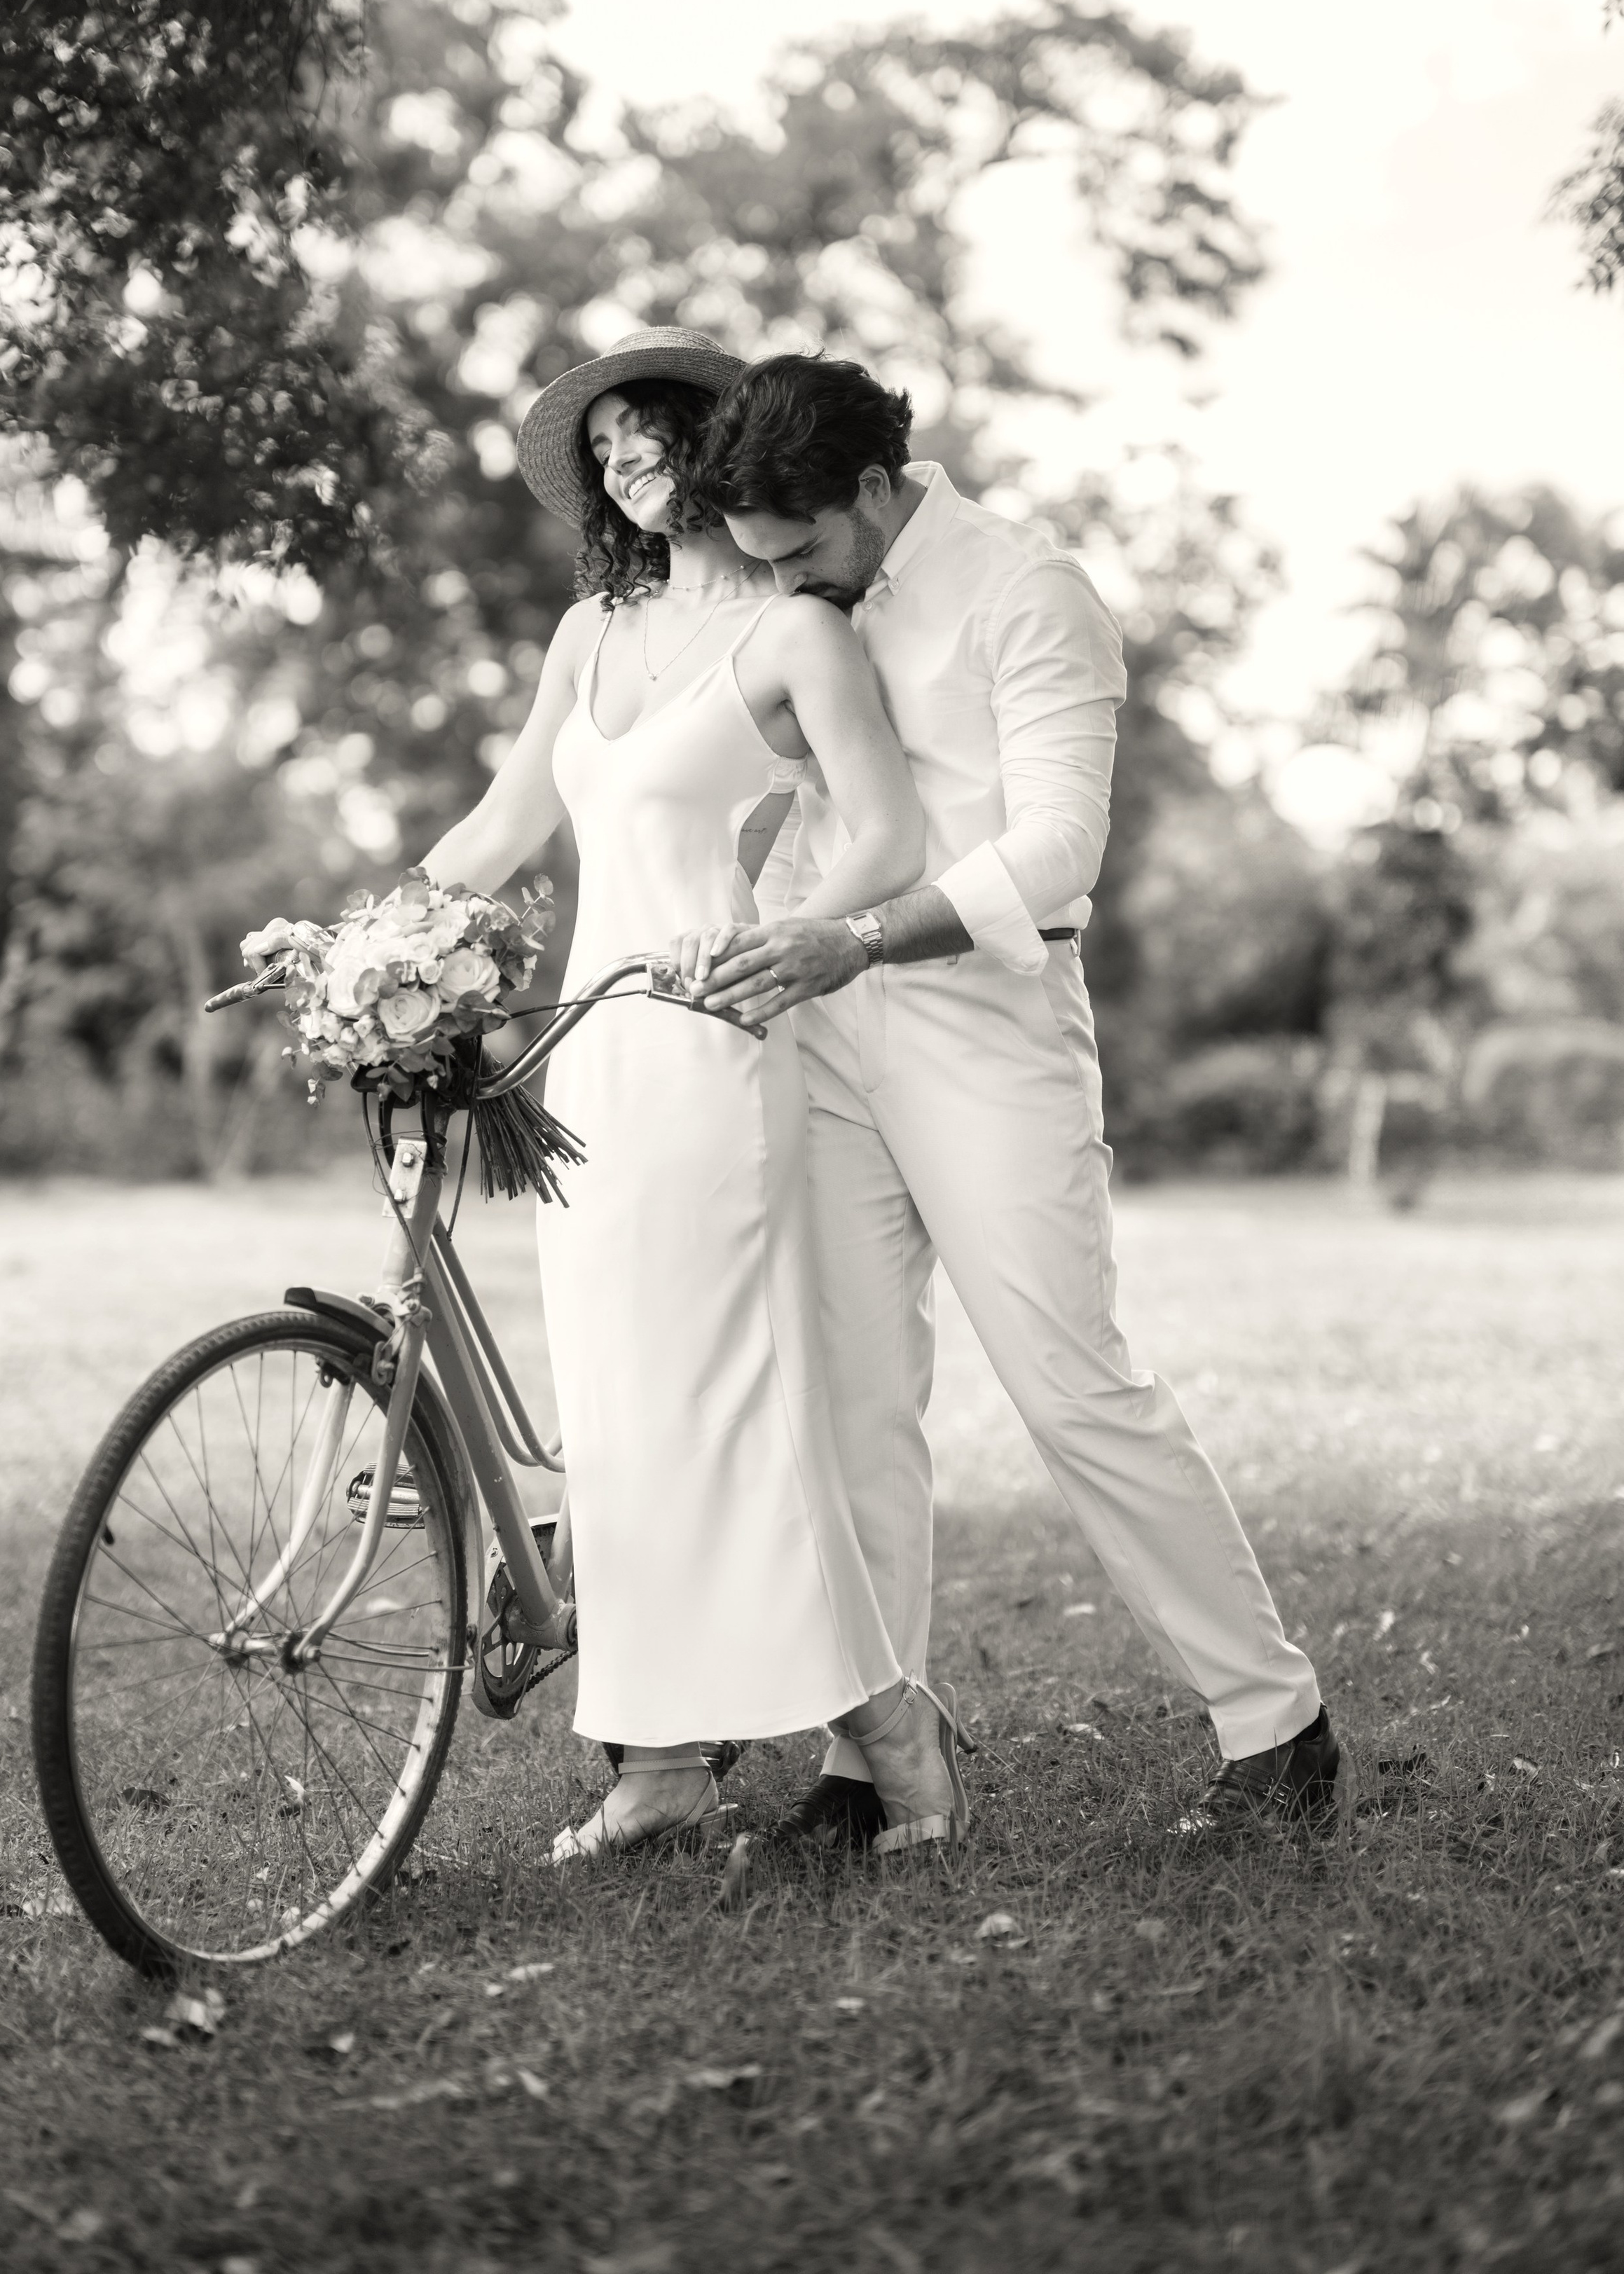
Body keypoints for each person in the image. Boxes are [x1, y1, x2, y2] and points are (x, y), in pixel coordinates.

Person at [690, 353, 1351, 1845]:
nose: (786, 584)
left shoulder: (1027, 593)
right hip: (821, 1023)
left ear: (871, 486)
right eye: (760, 563)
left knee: (1070, 1380)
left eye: (800, 551)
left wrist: (849, 935)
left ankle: (1274, 1729)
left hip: (980, 1020)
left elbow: (1056, 848)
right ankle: (871, 1759)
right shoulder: (798, 600)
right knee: (852, 1398)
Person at [418, 327, 964, 1862]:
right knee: (612, 1413)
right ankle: (655, 1762)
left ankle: (890, 1730)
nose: (621, 461)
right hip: (584, 1056)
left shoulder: (796, 635)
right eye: (599, 452)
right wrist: (370, 932)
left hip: (716, 1046)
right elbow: (508, 815)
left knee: (729, 1406)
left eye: (643, 431)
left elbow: (887, 837)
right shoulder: (589, 633)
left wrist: (789, 938)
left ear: (710, 439)